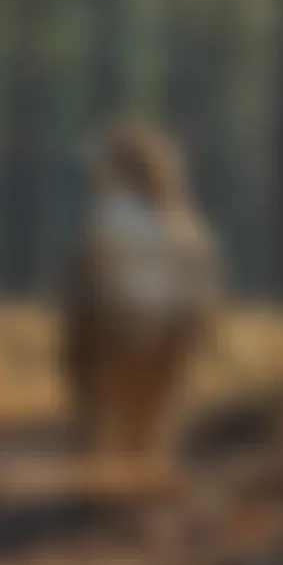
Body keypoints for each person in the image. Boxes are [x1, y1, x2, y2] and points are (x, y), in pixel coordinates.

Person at [61, 122, 220, 471]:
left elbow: (85, 293)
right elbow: (199, 292)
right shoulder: (184, 226)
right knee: (145, 422)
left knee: (123, 421)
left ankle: (125, 482)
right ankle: (131, 481)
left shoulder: (109, 220)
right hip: (156, 337)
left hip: (122, 335)